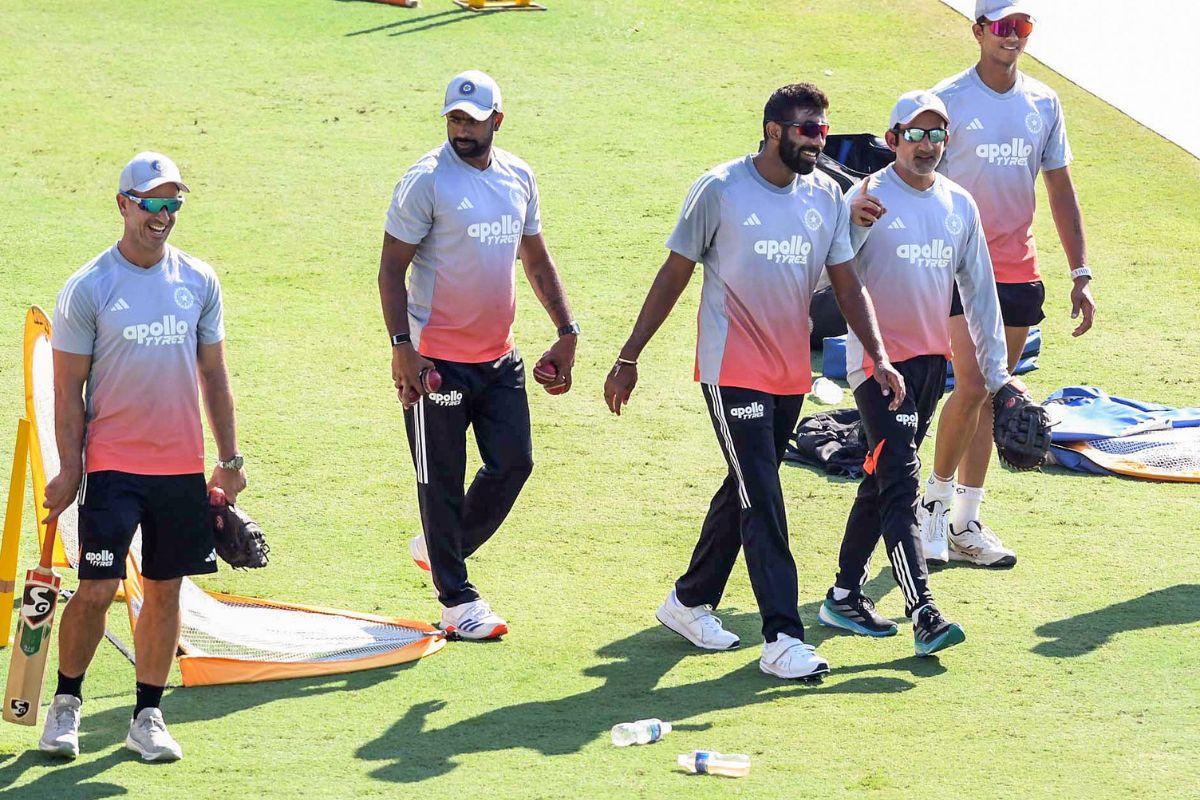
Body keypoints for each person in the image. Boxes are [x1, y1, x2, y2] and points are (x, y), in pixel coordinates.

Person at [604, 83, 904, 681]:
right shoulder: (720, 189)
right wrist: (629, 356)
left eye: (823, 129)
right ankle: (782, 638)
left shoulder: (825, 195)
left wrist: (880, 354)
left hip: (791, 372)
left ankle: (689, 600)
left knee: (744, 484)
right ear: (773, 131)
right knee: (763, 492)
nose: (819, 141)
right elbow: (674, 272)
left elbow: (846, 283)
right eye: (807, 130)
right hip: (730, 368)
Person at [38, 152, 247, 762]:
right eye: (152, 202)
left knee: (165, 592)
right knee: (97, 588)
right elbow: (66, 389)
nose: (164, 214)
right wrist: (70, 469)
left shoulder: (199, 280)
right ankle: (66, 705)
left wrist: (229, 459)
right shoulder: (89, 288)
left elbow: (214, 373)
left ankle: (147, 716)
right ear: (124, 204)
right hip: (112, 468)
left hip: (180, 468)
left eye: (173, 202)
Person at [379, 70, 578, 640]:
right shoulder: (426, 182)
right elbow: (391, 271)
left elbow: (535, 259)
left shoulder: (518, 177)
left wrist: (566, 330)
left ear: (498, 119)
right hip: (434, 362)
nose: (461, 129)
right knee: (439, 481)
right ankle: (456, 600)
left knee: (514, 463)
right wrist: (403, 350)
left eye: (471, 118)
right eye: (453, 118)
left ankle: (442, 548)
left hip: (499, 358)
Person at [818, 91, 1018, 656]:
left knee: (882, 475)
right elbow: (825, 275)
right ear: (892, 139)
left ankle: (843, 593)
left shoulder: (959, 204)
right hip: (875, 365)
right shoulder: (866, 198)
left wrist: (998, 374)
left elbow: (979, 290)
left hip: (930, 367)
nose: (926, 144)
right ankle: (923, 611)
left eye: (937, 134)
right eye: (916, 133)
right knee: (903, 481)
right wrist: (851, 228)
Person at [919, 0, 1097, 566]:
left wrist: (1080, 272)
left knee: (994, 395)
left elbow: (1060, 188)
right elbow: (915, 177)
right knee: (972, 385)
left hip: (1019, 270)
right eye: (1003, 27)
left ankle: (965, 523)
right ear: (978, 32)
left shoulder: (1043, 102)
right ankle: (933, 509)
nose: (1014, 37)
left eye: (1022, 27)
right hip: (957, 268)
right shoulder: (945, 102)